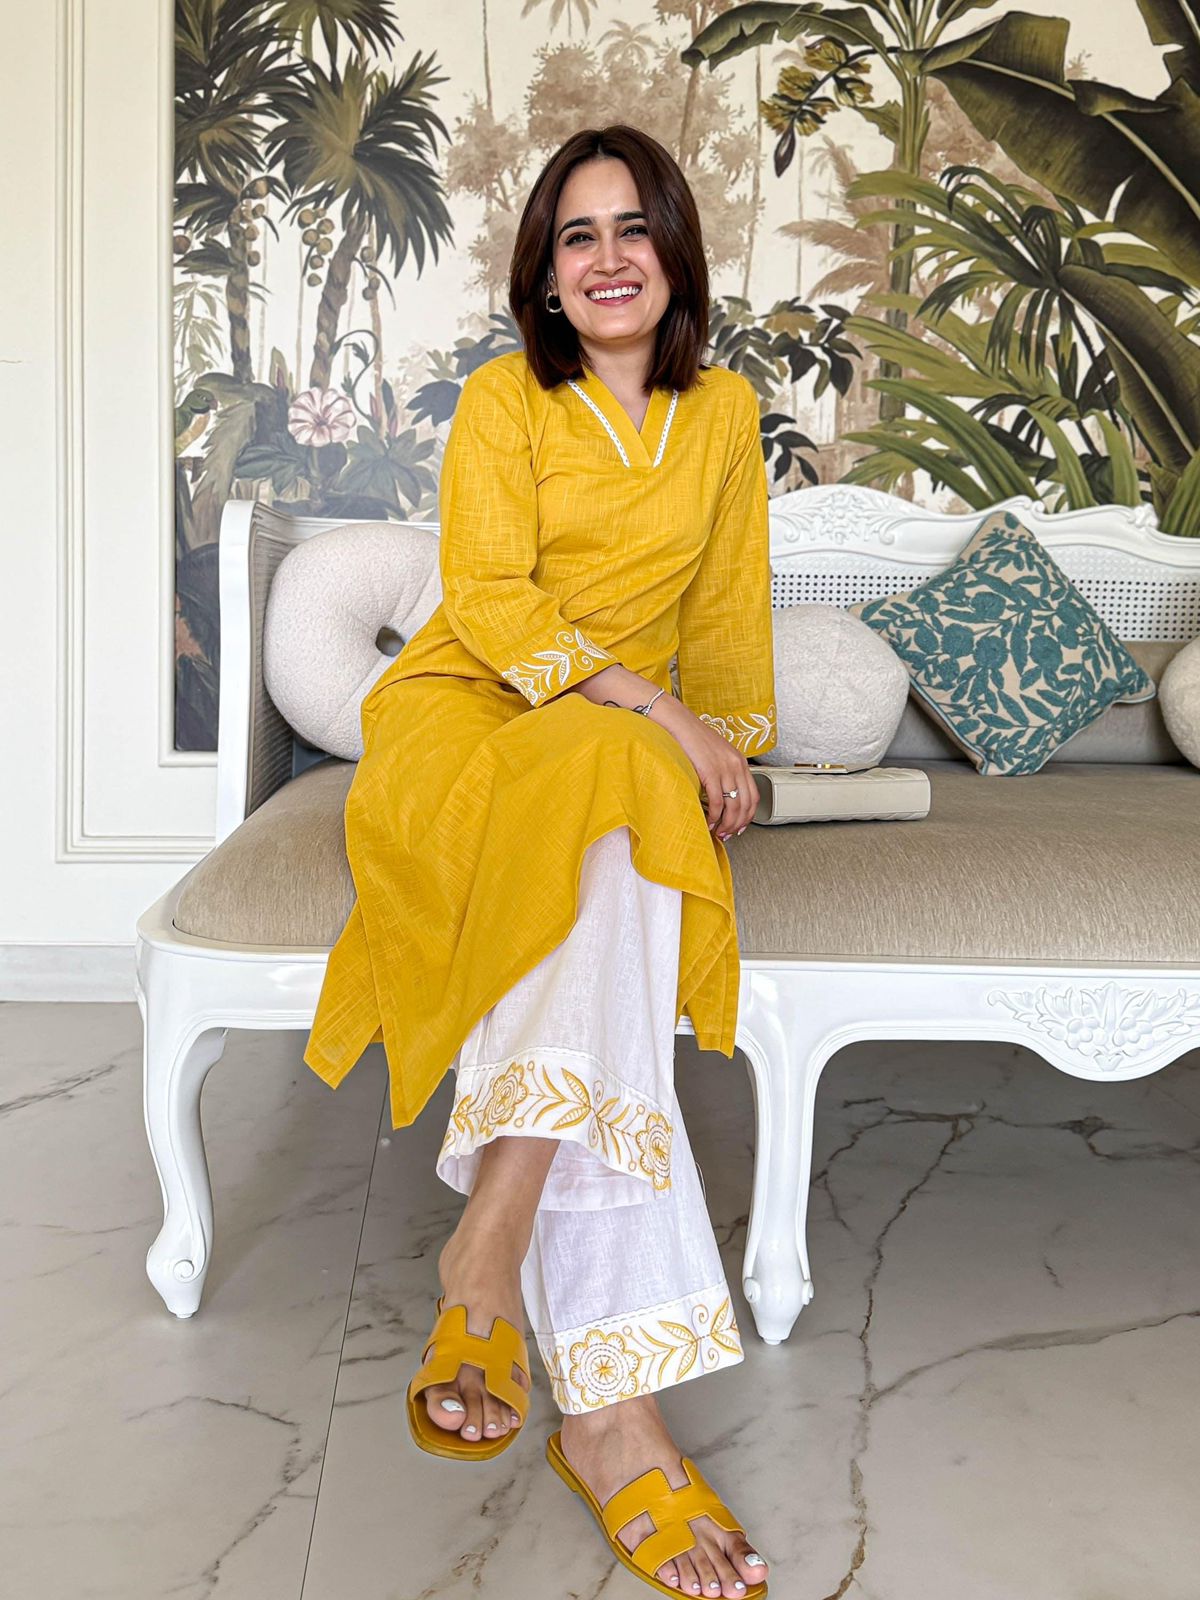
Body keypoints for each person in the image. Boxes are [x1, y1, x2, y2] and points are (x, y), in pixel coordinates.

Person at [304, 124, 776, 1598]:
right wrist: (663, 719)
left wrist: (728, 745)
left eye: (635, 228)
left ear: (675, 254)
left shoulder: (724, 414)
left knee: (624, 837)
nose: (609, 257)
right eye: (579, 235)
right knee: (622, 784)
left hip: (611, 743)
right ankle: (616, 1419)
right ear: (547, 273)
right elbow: (496, 605)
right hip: (471, 710)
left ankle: (490, 1262)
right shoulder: (506, 401)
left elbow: (729, 615)